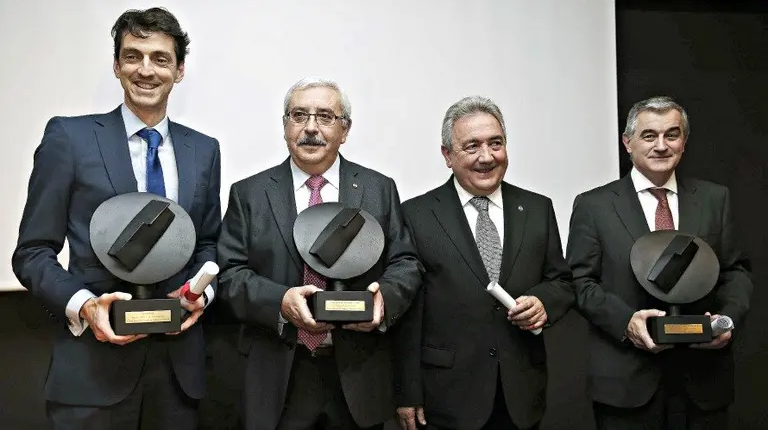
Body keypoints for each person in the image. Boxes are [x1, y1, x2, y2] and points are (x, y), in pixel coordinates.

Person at [11, 7, 221, 429]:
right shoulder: (68, 138)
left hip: (179, 378)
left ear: (179, 70)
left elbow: (207, 242)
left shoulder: (204, 150)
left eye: (160, 58)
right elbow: (33, 253)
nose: (146, 70)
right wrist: (86, 307)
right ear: (116, 65)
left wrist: (202, 295)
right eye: (133, 56)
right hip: (90, 375)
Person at [217, 77, 423, 430]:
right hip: (278, 375)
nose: (311, 127)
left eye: (325, 117)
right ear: (285, 126)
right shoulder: (249, 194)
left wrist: (383, 301)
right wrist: (280, 301)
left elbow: (406, 263)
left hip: (358, 376)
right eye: (299, 115)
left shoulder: (378, 189)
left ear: (345, 130)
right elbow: (229, 275)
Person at [566, 96, 753, 429]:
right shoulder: (593, 206)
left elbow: (735, 271)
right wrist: (626, 322)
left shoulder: (714, 199)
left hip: (704, 381)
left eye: (672, 134)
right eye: (649, 135)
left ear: (684, 141)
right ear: (628, 142)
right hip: (626, 385)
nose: (662, 145)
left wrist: (727, 319)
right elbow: (580, 282)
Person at [394, 96, 574, 430]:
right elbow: (409, 312)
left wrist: (544, 302)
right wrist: (408, 391)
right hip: (446, 394)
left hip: (521, 390)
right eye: (472, 146)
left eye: (496, 143)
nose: (487, 157)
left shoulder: (537, 209)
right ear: (448, 155)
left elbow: (561, 281)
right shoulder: (416, 215)